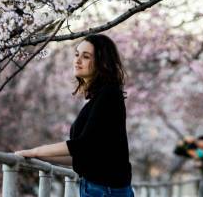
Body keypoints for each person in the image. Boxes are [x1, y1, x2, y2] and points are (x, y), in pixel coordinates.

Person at [14, 34, 133, 197]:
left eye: (86, 57)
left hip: (104, 191)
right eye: (77, 54)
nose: (77, 61)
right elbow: (85, 156)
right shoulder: (102, 96)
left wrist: (35, 151)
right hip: (101, 188)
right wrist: (40, 157)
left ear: (102, 62)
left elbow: (83, 145)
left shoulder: (109, 95)